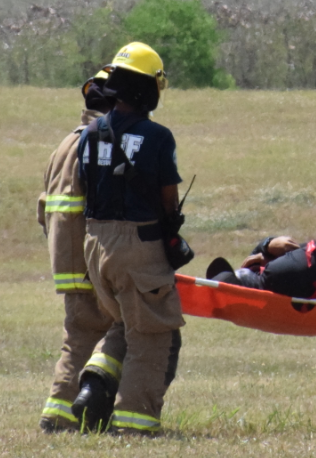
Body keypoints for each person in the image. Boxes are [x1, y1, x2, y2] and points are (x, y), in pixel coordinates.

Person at [74, 42, 185, 435]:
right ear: (148, 89)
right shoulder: (157, 136)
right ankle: (135, 424)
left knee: (123, 323)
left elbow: (86, 189)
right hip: (139, 245)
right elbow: (168, 197)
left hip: (95, 246)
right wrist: (171, 228)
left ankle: (91, 385)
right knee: (153, 335)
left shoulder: (88, 135)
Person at [37, 71, 116, 433]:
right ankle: (97, 408)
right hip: (92, 259)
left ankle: (58, 413)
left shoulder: (64, 144)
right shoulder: (101, 143)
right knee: (126, 328)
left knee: (78, 337)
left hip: (65, 262)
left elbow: (43, 208)